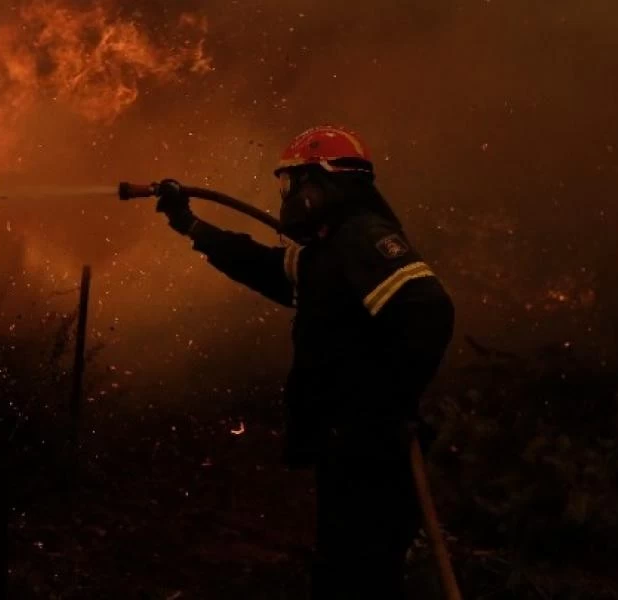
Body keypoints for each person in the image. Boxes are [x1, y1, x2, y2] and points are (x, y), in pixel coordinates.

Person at [156, 125, 455, 599]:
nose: (290, 195)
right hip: (350, 442)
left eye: (294, 184)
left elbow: (427, 309)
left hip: (369, 449)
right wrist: (192, 226)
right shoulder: (330, 249)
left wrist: (383, 406)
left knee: (356, 576)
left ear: (322, 184)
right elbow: (269, 269)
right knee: (344, 567)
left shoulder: (363, 237)